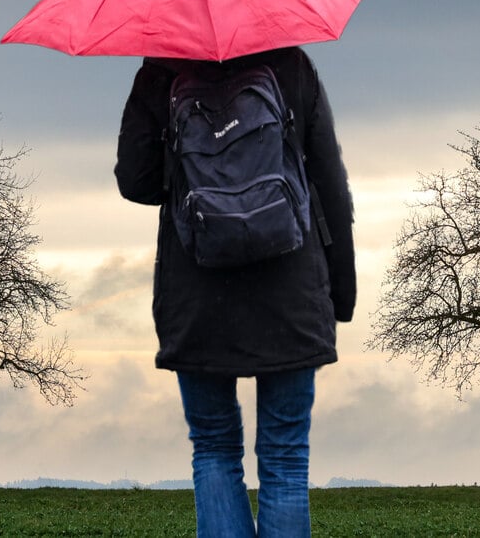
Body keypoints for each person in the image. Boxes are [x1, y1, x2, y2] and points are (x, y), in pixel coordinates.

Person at [114, 46, 355, 537]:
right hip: (291, 290)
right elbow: (331, 183)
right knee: (286, 458)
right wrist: (340, 295)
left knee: (214, 448)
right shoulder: (291, 64)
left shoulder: (160, 71)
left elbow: (136, 181)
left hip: (198, 292)